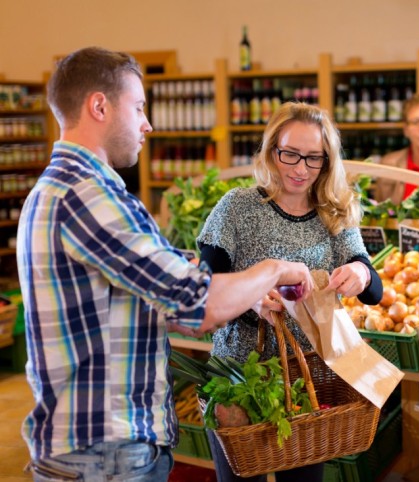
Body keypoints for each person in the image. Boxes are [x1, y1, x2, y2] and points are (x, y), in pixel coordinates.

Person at [16, 47, 314, 482]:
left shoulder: (64, 188)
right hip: (105, 450)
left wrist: (246, 294)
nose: (147, 123)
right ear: (99, 106)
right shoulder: (87, 196)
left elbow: (158, 279)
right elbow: (195, 305)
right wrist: (272, 269)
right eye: (138, 107)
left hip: (96, 447)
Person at [196, 102, 383, 482]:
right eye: (290, 154)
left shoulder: (335, 210)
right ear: (271, 151)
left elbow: (373, 290)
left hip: (306, 378)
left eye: (314, 158)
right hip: (238, 375)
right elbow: (205, 287)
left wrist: (360, 273)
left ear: (327, 161)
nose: (300, 169)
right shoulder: (236, 208)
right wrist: (251, 300)